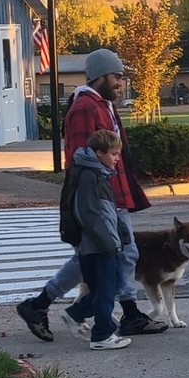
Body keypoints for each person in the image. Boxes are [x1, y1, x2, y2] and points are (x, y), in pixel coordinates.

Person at [16, 48, 167, 341]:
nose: (120, 82)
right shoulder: (85, 108)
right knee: (101, 258)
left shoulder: (101, 104)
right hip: (100, 198)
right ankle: (48, 306)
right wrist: (98, 200)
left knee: (113, 255)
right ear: (100, 76)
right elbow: (79, 157)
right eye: (117, 76)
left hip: (112, 195)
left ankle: (124, 312)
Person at [58, 130, 132, 350]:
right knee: (106, 289)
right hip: (98, 245)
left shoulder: (99, 173)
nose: (117, 158)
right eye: (114, 154)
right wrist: (109, 241)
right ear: (99, 153)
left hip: (104, 242)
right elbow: (91, 214)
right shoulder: (90, 176)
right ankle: (101, 335)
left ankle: (76, 313)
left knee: (113, 284)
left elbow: (107, 211)